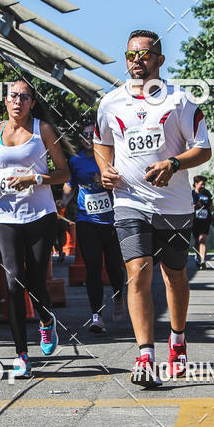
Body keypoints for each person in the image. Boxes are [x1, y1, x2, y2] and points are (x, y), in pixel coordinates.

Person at [94, 29, 212, 385]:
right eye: (130, 55)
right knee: (139, 272)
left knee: (174, 275)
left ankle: (177, 341)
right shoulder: (110, 102)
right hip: (130, 201)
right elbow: (101, 142)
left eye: (144, 55)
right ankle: (145, 355)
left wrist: (173, 164)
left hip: (173, 205)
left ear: (159, 60)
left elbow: (203, 148)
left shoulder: (180, 101)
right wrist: (104, 169)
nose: (136, 61)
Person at [0, 79, 70, 378]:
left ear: (32, 102)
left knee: (36, 282)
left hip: (40, 213)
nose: (18, 101)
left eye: (25, 97)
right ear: (5, 100)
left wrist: (35, 179)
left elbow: (63, 173)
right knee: (14, 282)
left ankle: (46, 320)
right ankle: (21, 354)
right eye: (13, 96)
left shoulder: (42, 130)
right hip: (4, 215)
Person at [59, 120, 125, 333]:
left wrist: (107, 181)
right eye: (85, 134)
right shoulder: (76, 162)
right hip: (87, 220)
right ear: (81, 138)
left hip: (112, 220)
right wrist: (64, 202)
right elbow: (70, 185)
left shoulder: (111, 156)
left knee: (115, 266)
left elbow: (124, 182)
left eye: (92, 134)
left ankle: (117, 296)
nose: (89, 138)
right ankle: (97, 316)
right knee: (93, 267)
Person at [191, 175, 213, 269]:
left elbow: (210, 205)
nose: (203, 186)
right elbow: (189, 206)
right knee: (197, 241)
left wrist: (212, 217)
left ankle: (203, 260)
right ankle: (198, 256)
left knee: (202, 240)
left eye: (204, 184)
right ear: (196, 184)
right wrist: (196, 206)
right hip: (195, 220)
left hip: (205, 220)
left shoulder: (207, 193)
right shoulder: (191, 194)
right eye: (201, 184)